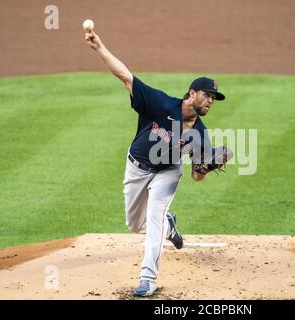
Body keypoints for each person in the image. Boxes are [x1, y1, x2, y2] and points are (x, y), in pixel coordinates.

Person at [85, 29, 229, 297]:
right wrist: (99, 47)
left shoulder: (201, 134)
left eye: (213, 98)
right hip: (136, 167)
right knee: (134, 224)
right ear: (192, 93)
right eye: (207, 95)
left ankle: (147, 279)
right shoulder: (160, 104)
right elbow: (126, 77)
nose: (210, 101)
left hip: (168, 173)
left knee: (153, 221)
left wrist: (205, 167)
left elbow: (198, 176)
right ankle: (170, 226)